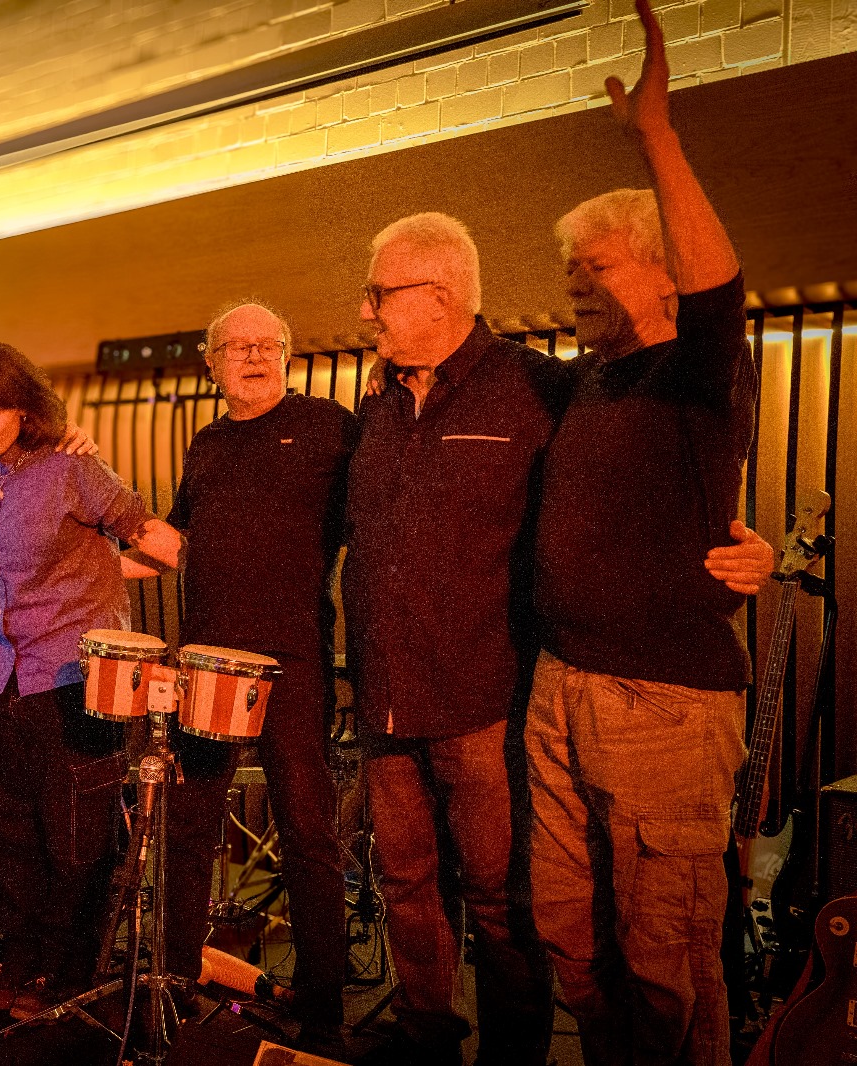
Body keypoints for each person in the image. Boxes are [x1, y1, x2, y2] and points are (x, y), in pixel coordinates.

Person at [525, 4, 763, 1062]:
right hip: (560, 688)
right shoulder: (583, 383)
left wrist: (657, 138)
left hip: (660, 705)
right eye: (572, 267)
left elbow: (721, 296)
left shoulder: (696, 373)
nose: (576, 283)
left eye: (601, 265)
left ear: (665, 274)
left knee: (666, 958)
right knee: (570, 943)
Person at [343, 212, 563, 1066]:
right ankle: (426, 1037)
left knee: (502, 900)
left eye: (379, 293)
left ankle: (515, 1055)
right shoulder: (379, 399)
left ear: (438, 296)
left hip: (483, 700)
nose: (366, 311)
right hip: (385, 697)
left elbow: (607, 504)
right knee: (405, 884)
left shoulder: (534, 387)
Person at [143, 302, 358, 1049]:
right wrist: (87, 528)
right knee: (189, 825)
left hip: (294, 662)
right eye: (237, 347)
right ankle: (173, 979)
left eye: (269, 344)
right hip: (208, 664)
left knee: (308, 833)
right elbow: (175, 543)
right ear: (212, 364)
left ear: (289, 357)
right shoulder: (206, 445)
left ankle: (323, 1008)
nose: (255, 356)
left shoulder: (330, 426)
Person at [0, 342, 181, 1019]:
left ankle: (67, 963)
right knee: (9, 832)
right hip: (2, 673)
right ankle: (22, 952)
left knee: (74, 835)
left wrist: (109, 570)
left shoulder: (71, 466)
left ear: (24, 408)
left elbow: (160, 545)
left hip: (74, 675)